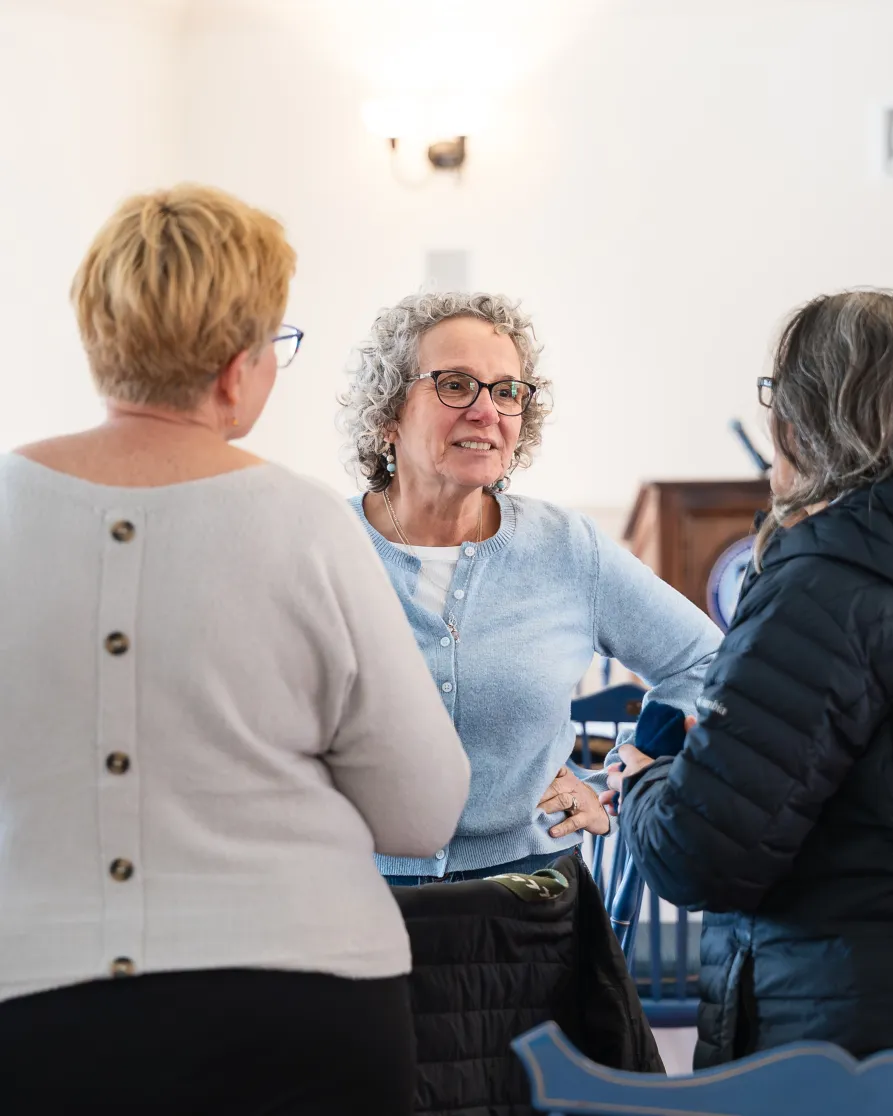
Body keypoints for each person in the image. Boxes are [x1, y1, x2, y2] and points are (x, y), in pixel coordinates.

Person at [0, 185, 470, 1116]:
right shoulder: (302, 523)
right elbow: (421, 810)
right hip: (301, 996)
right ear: (234, 365)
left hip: (35, 995)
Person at [608, 290, 893, 1100]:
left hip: (844, 1051)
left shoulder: (824, 584)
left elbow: (698, 856)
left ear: (817, 417)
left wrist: (646, 778)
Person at [341, 291, 723, 884]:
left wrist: (623, 772)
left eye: (506, 391)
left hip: (525, 900)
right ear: (387, 415)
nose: (486, 411)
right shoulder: (318, 547)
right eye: (455, 385)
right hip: (349, 900)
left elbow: (708, 663)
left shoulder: (566, 547)